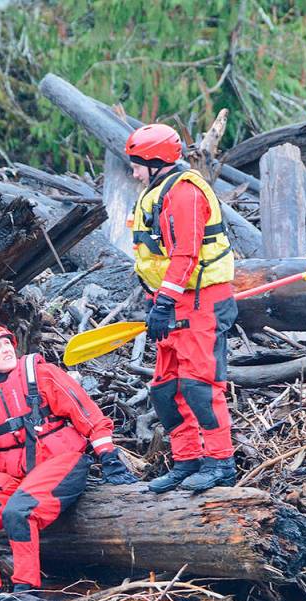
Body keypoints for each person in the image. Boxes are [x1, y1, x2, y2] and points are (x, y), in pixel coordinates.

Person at [0, 324, 136, 601]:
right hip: (12, 475)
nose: (6, 350)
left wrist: (108, 457)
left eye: (7, 344)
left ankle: (26, 592)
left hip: (61, 462)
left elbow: (87, 413)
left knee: (19, 512)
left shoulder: (41, 374)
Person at [125, 123, 238, 494]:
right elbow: (154, 256)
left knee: (198, 384)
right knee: (166, 388)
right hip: (171, 300)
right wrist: (153, 302)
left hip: (201, 299)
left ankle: (220, 462)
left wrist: (165, 301)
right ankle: (187, 460)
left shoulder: (185, 194)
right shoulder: (157, 190)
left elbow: (186, 254)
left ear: (156, 162)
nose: (134, 171)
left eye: (138, 164)